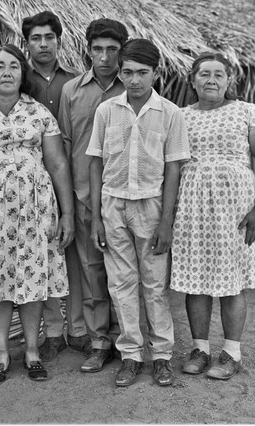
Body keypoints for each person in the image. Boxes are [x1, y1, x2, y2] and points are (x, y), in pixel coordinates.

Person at [0, 44, 75, 385]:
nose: (7, 72)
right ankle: (3, 353)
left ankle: (32, 351)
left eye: (14, 67)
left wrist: (67, 214)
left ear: (23, 73)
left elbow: (57, 164)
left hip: (36, 210)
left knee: (32, 276)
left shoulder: (38, 113)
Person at [87, 39, 191, 387]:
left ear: (155, 73)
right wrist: (98, 217)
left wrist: (166, 221)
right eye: (127, 72)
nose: (134, 80)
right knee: (121, 284)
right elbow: (96, 162)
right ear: (120, 72)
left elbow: (174, 169)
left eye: (142, 73)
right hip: (113, 203)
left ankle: (161, 356)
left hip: (151, 204)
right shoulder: (106, 111)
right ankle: (131, 355)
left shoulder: (171, 113)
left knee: (155, 285)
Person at [170, 52, 255, 380]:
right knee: (196, 282)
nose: (212, 80)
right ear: (193, 80)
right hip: (192, 210)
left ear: (229, 81)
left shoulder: (247, 111)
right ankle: (200, 349)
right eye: (205, 74)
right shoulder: (180, 116)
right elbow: (172, 164)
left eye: (219, 74)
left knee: (232, 283)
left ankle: (231, 353)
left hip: (236, 211)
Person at [57, 18, 128, 373]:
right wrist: (68, 200)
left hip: (126, 196)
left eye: (112, 50)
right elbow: (65, 148)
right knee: (91, 272)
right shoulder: (71, 91)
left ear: (121, 53)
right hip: (85, 196)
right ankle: (99, 343)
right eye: (97, 49)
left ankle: (128, 340)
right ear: (87, 50)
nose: (104, 57)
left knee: (127, 273)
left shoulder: (133, 88)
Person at [22, 10, 90, 361]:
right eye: (36, 38)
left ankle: (78, 328)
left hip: (73, 180)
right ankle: (52, 331)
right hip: (29, 187)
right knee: (42, 255)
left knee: (74, 255)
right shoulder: (20, 82)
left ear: (59, 41)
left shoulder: (76, 83)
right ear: (27, 43)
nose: (43, 44)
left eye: (49, 37)